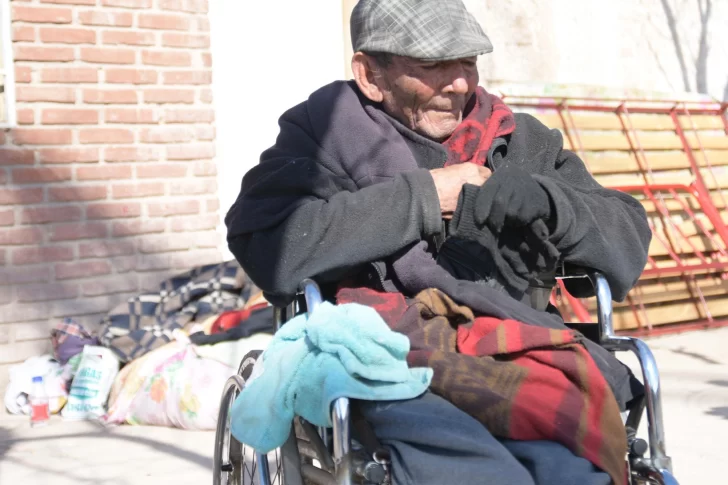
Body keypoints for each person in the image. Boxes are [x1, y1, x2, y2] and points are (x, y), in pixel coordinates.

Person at [225, 1, 651, 483]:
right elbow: (270, 245)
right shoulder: (323, 134)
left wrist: (554, 205)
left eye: (468, 62)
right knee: (474, 467)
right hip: (388, 353)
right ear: (370, 75)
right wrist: (426, 197)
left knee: (570, 469)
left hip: (521, 346)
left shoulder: (517, 141)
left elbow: (629, 239)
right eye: (431, 67)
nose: (460, 84)